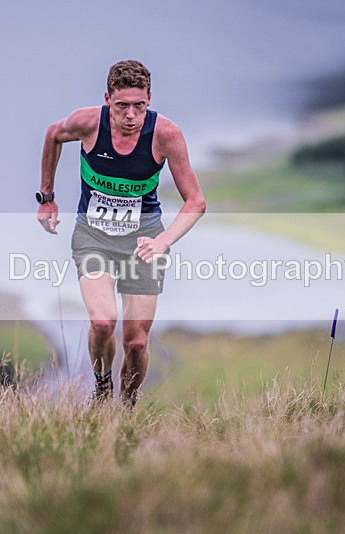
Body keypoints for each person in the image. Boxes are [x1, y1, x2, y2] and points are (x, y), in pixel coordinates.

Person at [36, 59, 206, 407]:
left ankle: (126, 409)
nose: (131, 115)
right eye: (121, 106)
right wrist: (47, 197)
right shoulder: (87, 123)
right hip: (93, 237)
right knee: (102, 323)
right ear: (107, 99)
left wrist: (162, 241)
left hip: (144, 242)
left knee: (136, 342)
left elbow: (196, 202)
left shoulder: (165, 135)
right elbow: (53, 134)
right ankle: (102, 389)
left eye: (139, 106)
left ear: (149, 99)